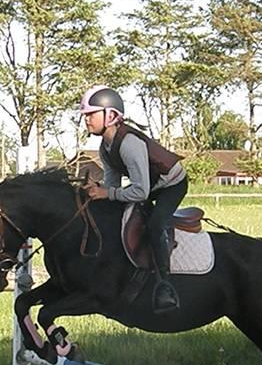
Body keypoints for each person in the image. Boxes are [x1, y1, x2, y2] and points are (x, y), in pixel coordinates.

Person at [80, 85, 188, 314]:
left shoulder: (129, 144)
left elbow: (140, 192)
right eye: (85, 115)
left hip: (172, 185)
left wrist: (107, 193)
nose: (86, 119)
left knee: (155, 224)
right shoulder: (105, 147)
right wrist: (98, 191)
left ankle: (165, 286)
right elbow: (113, 186)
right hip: (151, 185)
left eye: (91, 114)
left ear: (110, 115)